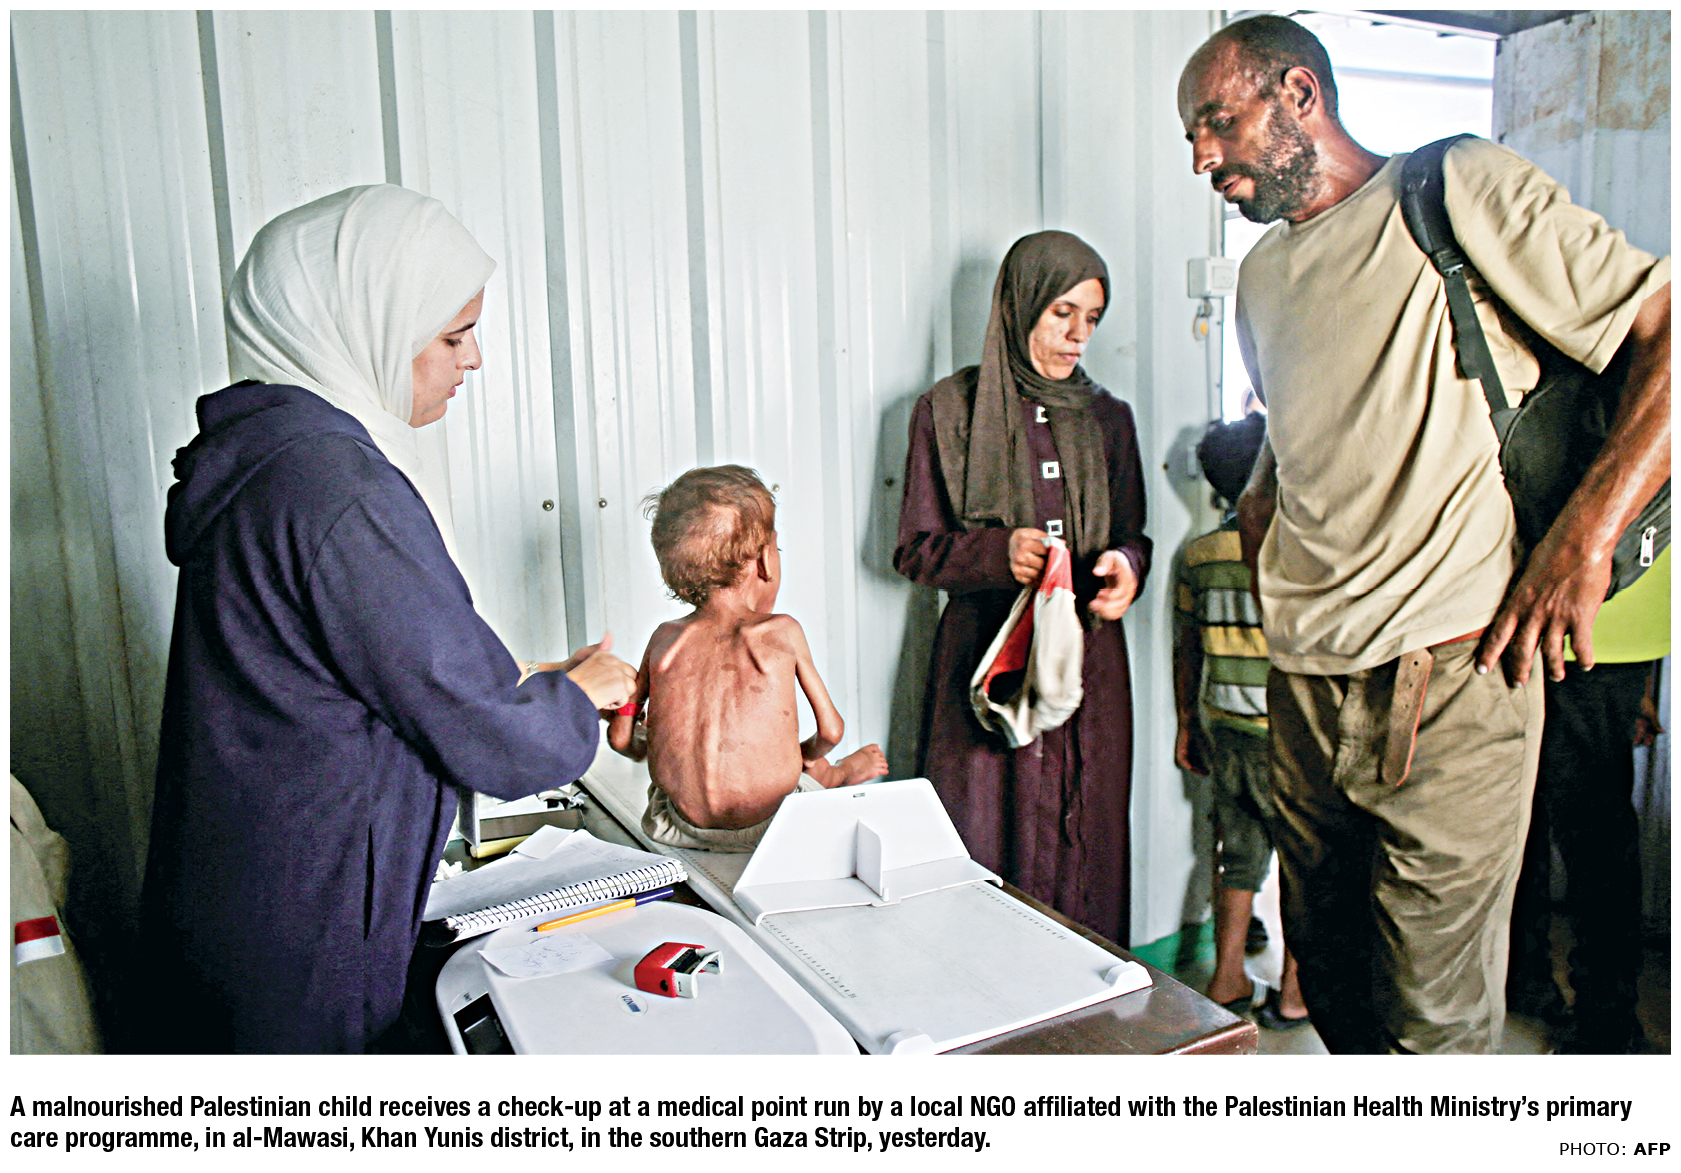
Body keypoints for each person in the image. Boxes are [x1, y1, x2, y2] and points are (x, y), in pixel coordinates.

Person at [1177, 16, 1670, 1053]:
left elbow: (1666, 325)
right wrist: (1266, 534)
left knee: (1432, 1029)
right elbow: (1290, 452)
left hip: (1449, 676)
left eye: (1216, 122)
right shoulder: (1260, 279)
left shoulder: (1450, 189)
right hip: (1301, 687)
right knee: (1339, 998)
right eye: (1190, 137)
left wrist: (1581, 542)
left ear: (1298, 94)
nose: (1201, 157)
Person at [141, 185, 636, 1053]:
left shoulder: (270, 461)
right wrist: (576, 695)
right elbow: (492, 739)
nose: (473, 358)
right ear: (363, 324)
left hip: (243, 902)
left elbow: (358, 668)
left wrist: (528, 679)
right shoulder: (337, 487)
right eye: (452, 335)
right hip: (305, 933)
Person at [894, 230, 1150, 946]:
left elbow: (1134, 535)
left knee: (1086, 839)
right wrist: (994, 553)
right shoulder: (948, 411)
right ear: (1019, 307)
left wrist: (1125, 568)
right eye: (1061, 313)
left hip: (1086, 663)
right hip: (986, 663)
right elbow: (913, 549)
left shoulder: (1109, 418)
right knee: (984, 838)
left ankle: (1091, 995)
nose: (1078, 335)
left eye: (1091, 318)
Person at [609, 465, 887, 851]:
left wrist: (647, 734)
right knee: (810, 770)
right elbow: (831, 731)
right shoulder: (782, 631)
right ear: (765, 561)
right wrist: (802, 758)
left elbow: (621, 739)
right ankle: (836, 774)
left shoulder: (664, 640)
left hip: (678, 826)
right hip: (773, 826)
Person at [1173, 414, 1307, 1030]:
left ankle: (1226, 977)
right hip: (1291, 737)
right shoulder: (1290, 551)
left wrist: (1186, 722)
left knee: (1238, 858)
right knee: (1303, 865)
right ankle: (1294, 993)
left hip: (1226, 731)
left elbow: (1187, 647)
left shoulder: (1198, 555)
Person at [1507, 548, 1669, 1053]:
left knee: (1590, 829)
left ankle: (1607, 1023)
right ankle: (1529, 983)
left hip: (1581, 610)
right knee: (1530, 815)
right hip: (1603, 614)